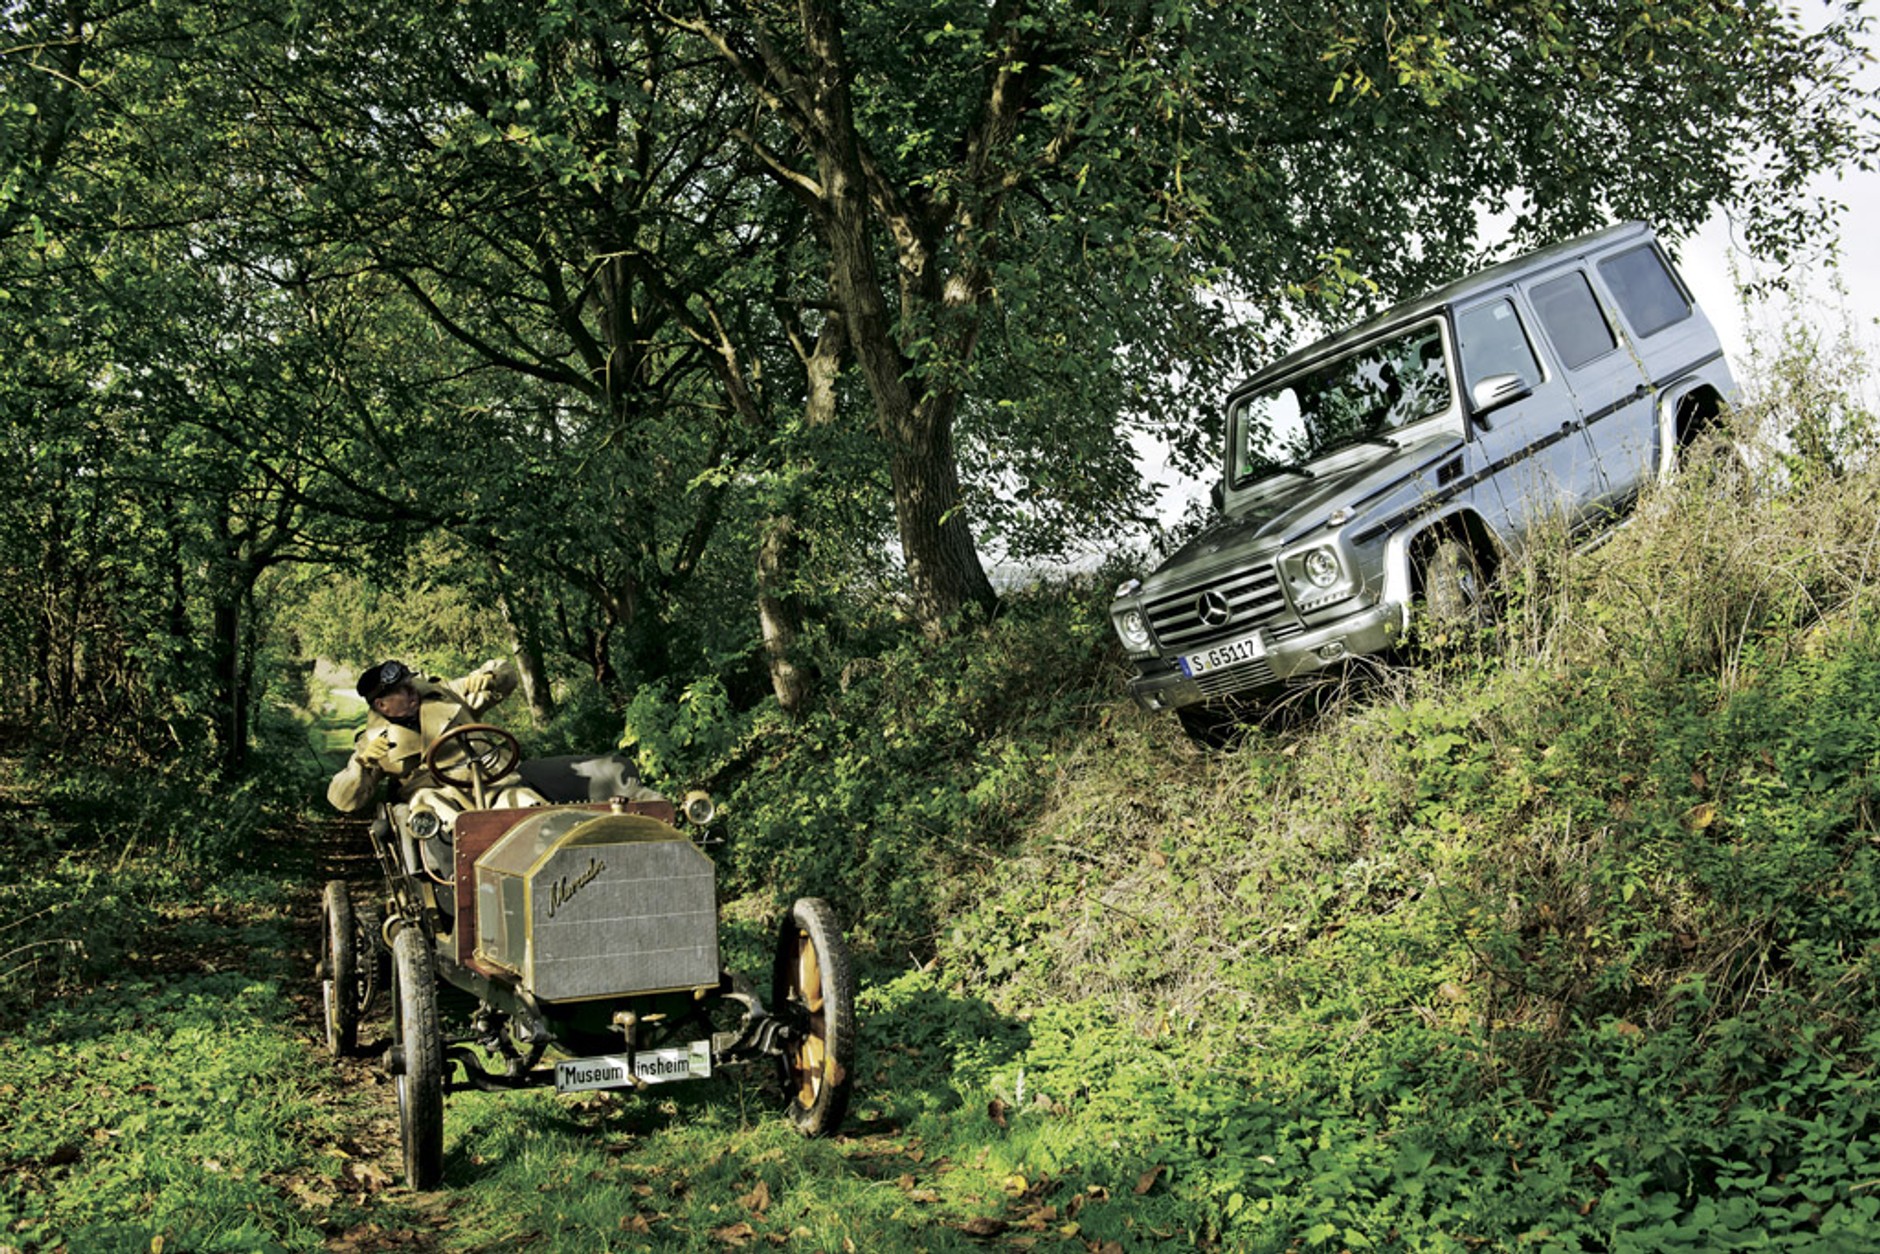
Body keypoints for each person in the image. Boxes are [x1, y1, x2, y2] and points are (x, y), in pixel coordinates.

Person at [326, 658, 546, 827]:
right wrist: (362, 763)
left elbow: (506, 673)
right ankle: (457, 877)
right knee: (429, 807)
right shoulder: (373, 741)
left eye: (410, 684)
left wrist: (491, 677)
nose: (413, 691)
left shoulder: (447, 694)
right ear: (382, 706)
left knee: (530, 807)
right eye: (403, 690)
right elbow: (343, 801)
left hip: (492, 783)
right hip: (440, 797)